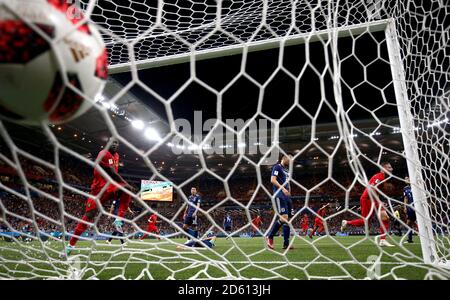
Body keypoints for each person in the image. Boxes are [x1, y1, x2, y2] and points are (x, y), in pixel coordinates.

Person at [61, 137, 135, 257]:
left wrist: (125, 185)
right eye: (112, 142)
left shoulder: (116, 156)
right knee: (88, 216)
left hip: (110, 186)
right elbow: (111, 172)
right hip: (98, 191)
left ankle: (118, 220)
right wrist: (125, 183)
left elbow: (113, 175)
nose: (115, 144)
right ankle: (70, 245)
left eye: (117, 143)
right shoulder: (103, 153)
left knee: (127, 190)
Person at [341, 162, 394, 247]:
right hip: (368, 199)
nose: (391, 169)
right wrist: (378, 201)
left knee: (385, 217)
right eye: (389, 167)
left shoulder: (383, 177)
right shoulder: (379, 176)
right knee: (366, 222)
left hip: (372, 200)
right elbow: (371, 189)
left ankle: (382, 240)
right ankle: (347, 222)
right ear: (383, 169)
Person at [266, 153, 294, 250]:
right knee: (284, 217)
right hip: (279, 194)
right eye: (290, 158)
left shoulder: (287, 170)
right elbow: (273, 180)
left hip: (287, 196)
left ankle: (286, 243)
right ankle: (270, 236)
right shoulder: (277, 167)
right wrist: (283, 189)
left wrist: (289, 191)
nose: (291, 161)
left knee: (288, 220)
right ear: (284, 158)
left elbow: (288, 182)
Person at [403, 176, 416, 243]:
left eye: (407, 178)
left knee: (421, 223)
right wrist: (405, 207)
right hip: (410, 208)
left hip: (417, 207)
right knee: (409, 223)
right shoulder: (405, 188)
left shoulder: (415, 186)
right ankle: (410, 239)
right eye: (405, 179)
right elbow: (406, 198)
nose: (406, 180)